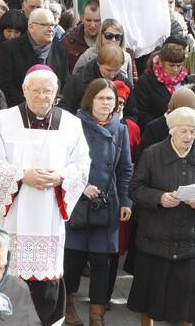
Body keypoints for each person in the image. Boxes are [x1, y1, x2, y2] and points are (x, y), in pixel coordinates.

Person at [0, 64, 91, 325]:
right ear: (24, 90)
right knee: (6, 277)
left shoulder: (72, 125)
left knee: (46, 284)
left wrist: (61, 177)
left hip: (47, 218)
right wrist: (21, 175)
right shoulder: (2, 121)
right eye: (36, 90)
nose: (42, 96)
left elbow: (82, 166)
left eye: (48, 91)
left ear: (56, 93)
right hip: (10, 217)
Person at [127, 106, 195, 325]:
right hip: (155, 238)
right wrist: (159, 198)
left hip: (189, 240)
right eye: (183, 131)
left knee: (185, 303)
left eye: (193, 131)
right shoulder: (152, 154)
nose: (189, 136)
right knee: (150, 298)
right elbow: (135, 188)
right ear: (171, 131)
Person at [63, 79, 133, 326]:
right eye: (101, 98)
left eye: (110, 99)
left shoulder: (120, 129)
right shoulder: (73, 125)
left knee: (103, 264)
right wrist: (79, 185)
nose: (106, 103)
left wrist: (126, 201)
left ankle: (97, 316)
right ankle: (68, 307)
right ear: (90, 100)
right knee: (72, 261)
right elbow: (61, 162)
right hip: (77, 203)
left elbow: (125, 169)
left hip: (107, 204)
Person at [0, 8, 68, 107]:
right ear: (31, 27)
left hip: (50, 109)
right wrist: (33, 103)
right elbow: (4, 85)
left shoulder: (60, 50)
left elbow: (64, 83)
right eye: (45, 25)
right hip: (19, 109)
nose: (51, 29)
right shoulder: (9, 49)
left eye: (53, 25)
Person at [59, 45, 132, 115]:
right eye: (108, 70)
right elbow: (65, 109)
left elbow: (131, 114)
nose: (112, 74)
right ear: (99, 63)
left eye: (117, 70)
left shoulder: (125, 83)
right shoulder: (77, 80)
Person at [135, 43, 189, 126]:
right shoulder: (145, 82)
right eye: (171, 65)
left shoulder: (188, 81)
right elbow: (141, 114)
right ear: (160, 62)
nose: (175, 69)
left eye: (179, 66)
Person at [61, 0, 101, 72]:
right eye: (88, 20)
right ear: (82, 18)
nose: (92, 25)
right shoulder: (68, 40)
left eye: (97, 21)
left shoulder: (112, 39)